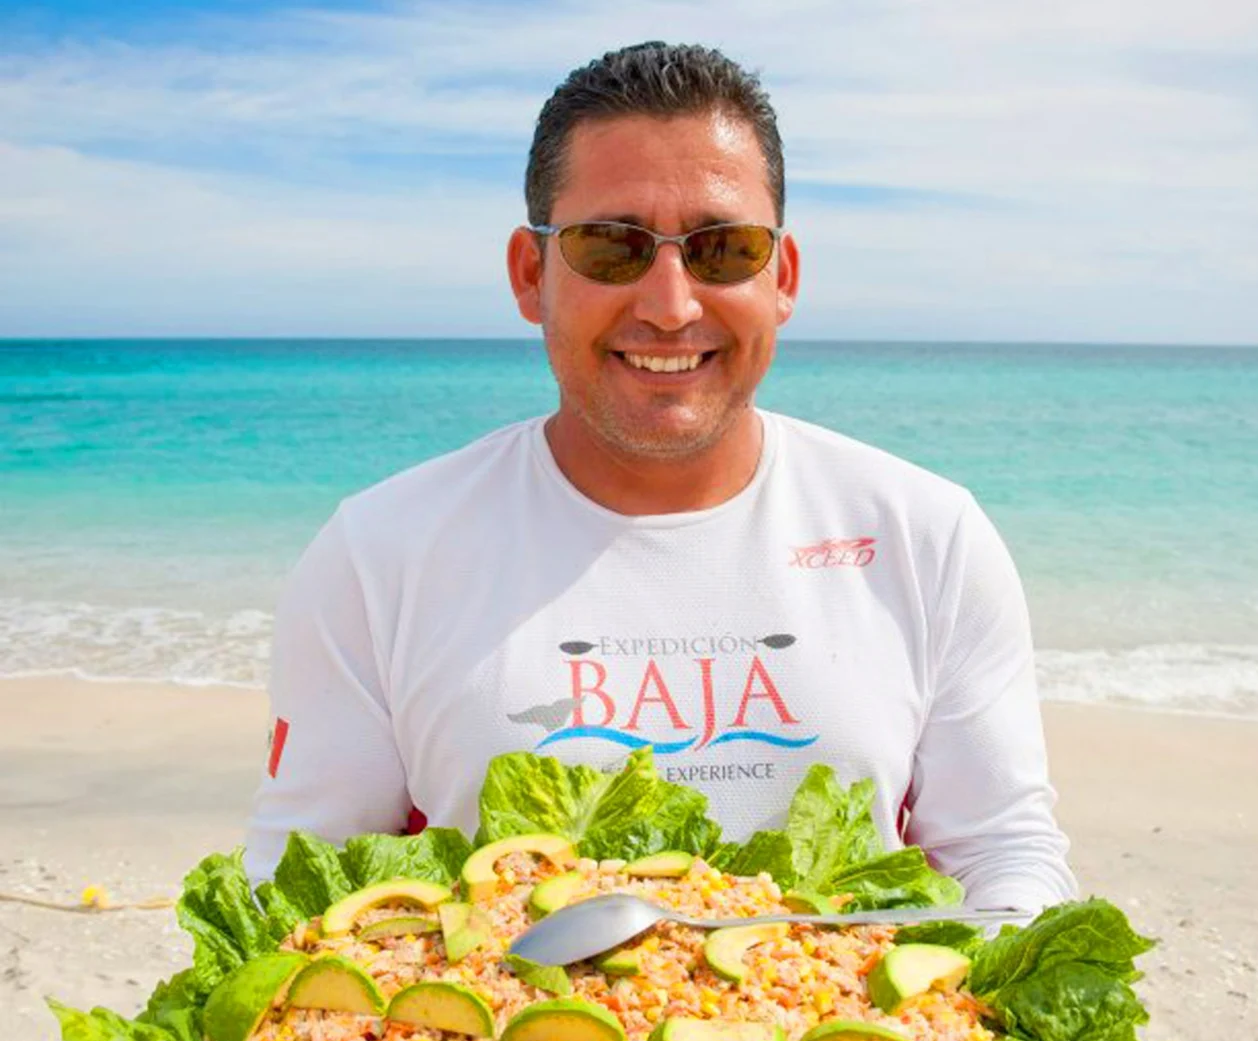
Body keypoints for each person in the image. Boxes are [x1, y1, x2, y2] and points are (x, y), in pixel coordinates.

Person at [243, 42, 1077, 912]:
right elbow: (301, 887)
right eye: (612, 247)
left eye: (723, 249)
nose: (671, 305)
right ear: (532, 276)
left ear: (781, 277)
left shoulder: (924, 533)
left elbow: (1003, 850)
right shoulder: (382, 553)